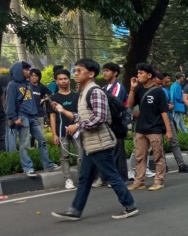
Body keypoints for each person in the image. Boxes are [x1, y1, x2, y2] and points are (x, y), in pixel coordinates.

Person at [51, 58, 138, 221]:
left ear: (91, 74)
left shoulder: (95, 91)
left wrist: (78, 126)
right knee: (84, 177)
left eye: (79, 71)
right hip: (90, 144)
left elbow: (100, 117)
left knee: (111, 175)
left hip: (100, 142)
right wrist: (63, 111)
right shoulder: (84, 91)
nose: (75, 74)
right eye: (75, 70)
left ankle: (130, 205)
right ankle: (75, 210)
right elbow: (83, 116)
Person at [5, 61, 58, 176]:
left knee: (42, 140)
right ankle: (28, 168)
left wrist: (36, 115)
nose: (29, 72)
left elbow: (32, 102)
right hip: (22, 117)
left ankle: (48, 165)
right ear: (19, 71)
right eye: (26, 69)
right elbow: (9, 104)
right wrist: (14, 118)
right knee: (24, 144)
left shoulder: (28, 84)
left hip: (33, 117)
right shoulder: (12, 85)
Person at [127, 65, 173, 191]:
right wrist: (132, 88)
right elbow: (130, 104)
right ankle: (139, 181)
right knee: (139, 156)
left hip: (155, 129)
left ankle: (159, 181)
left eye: (141, 73)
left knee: (158, 156)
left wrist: (168, 131)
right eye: (138, 73)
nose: (138, 75)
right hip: (141, 128)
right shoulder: (139, 89)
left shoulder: (158, 92)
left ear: (149, 75)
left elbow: (164, 112)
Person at [49, 69, 81, 189]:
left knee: (81, 155)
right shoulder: (53, 98)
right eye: (60, 79)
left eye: (65, 78)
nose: (63, 81)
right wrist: (54, 134)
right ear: (56, 81)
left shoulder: (77, 96)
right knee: (64, 157)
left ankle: (82, 177)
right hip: (61, 130)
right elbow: (52, 116)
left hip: (77, 130)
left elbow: (81, 113)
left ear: (69, 80)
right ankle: (68, 179)